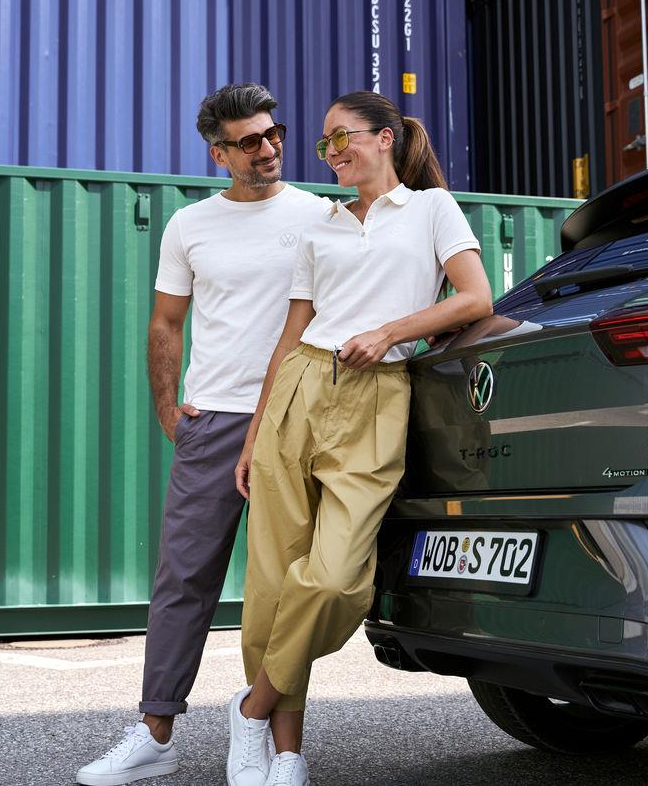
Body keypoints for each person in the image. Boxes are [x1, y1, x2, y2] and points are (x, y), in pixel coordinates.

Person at [226, 92, 494, 786]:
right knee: (272, 584)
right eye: (323, 144)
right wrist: (255, 433)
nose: (332, 152)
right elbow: (289, 336)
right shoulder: (321, 226)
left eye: (341, 138)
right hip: (300, 390)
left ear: (384, 138)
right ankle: (286, 752)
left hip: (378, 394)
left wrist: (389, 331)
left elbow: (476, 298)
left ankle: (250, 707)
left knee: (339, 580)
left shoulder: (432, 209)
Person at [76, 83, 329, 786]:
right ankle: (156, 731)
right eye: (250, 141)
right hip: (213, 419)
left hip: (293, 417)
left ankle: (284, 752)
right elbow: (165, 322)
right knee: (182, 578)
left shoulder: (320, 214)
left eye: (274, 133)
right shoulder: (190, 226)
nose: (270, 148)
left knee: (281, 588)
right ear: (219, 153)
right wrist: (168, 412)